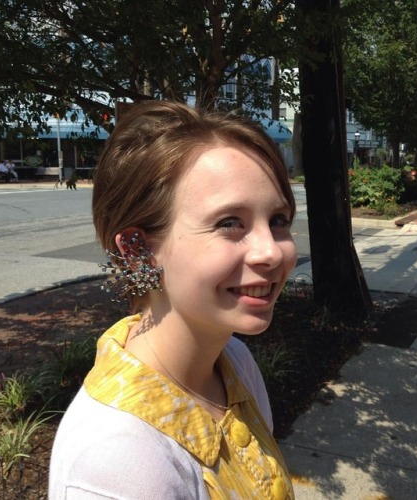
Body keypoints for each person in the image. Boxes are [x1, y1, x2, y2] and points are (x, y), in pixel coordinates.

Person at [49, 100, 297, 499]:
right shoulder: (120, 463)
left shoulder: (233, 361)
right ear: (137, 249)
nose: (271, 251)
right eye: (230, 223)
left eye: (278, 220)